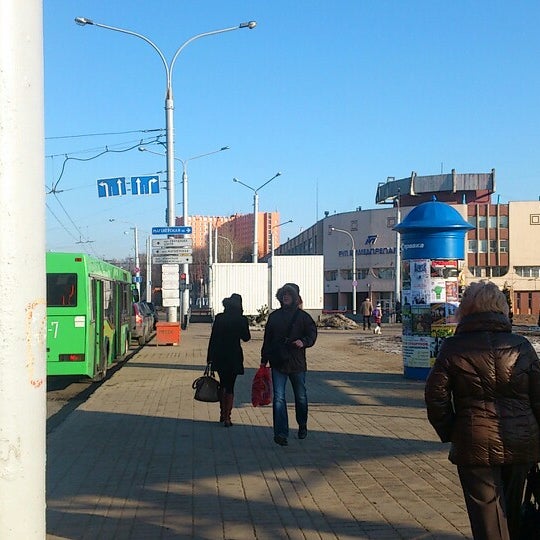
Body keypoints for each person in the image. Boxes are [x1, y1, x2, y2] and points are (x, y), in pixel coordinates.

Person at [425, 280, 540, 540]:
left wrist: (452, 431)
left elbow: (435, 397)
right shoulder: (521, 346)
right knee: (511, 512)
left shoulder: (453, 347)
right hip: (521, 440)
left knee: (487, 518)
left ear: (465, 309)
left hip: (473, 440)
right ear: (502, 308)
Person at [261, 283, 317, 446]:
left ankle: (302, 424)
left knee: (300, 396)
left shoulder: (303, 317)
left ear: (295, 297)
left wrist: (304, 342)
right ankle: (280, 433)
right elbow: (267, 340)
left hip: (297, 362)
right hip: (278, 362)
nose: (286, 297)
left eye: (289, 294)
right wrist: (264, 360)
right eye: (283, 294)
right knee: (279, 398)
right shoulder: (274, 317)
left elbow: (312, 334)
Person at [207, 293, 251, 427]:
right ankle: (228, 417)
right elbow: (246, 337)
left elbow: (213, 338)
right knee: (230, 385)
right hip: (234, 355)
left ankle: (222, 413)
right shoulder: (241, 319)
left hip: (219, 355)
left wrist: (209, 358)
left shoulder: (219, 318)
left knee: (223, 383)